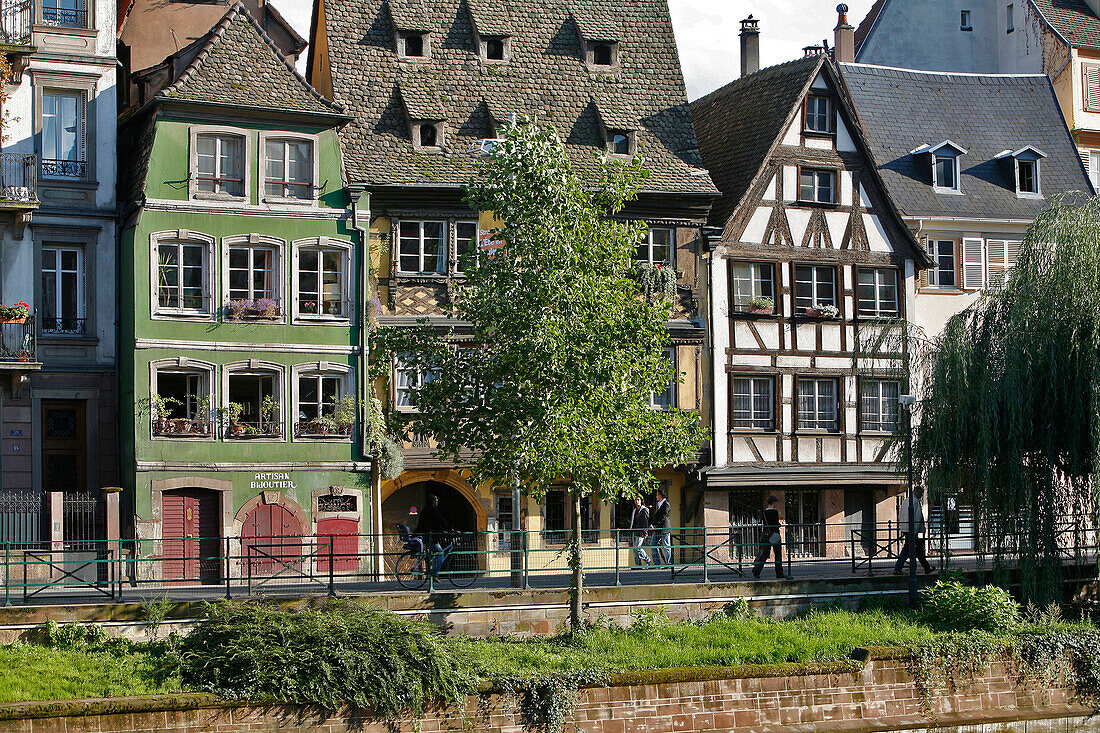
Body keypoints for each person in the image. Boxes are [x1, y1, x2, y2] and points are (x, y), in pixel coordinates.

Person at [893, 486, 934, 575]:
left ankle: (926, 567)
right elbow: (917, 517)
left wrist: (903, 528)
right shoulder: (915, 502)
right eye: (921, 493)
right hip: (912, 530)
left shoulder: (906, 501)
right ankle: (897, 568)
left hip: (906, 528)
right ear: (917, 492)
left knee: (917, 550)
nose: (921, 495)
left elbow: (902, 515)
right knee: (908, 550)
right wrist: (916, 530)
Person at [414, 493, 454, 574]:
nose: (437, 502)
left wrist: (443, 530)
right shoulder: (432, 510)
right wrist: (452, 529)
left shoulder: (426, 509)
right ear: (433, 501)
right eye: (436, 500)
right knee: (440, 553)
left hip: (426, 535)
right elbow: (441, 521)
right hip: (429, 536)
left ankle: (432, 572)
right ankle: (434, 574)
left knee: (434, 553)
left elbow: (434, 523)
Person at [752, 495, 785, 579]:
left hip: (766, 534)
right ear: (774, 502)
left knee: (765, 553)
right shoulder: (774, 512)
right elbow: (775, 523)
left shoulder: (764, 512)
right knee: (777, 554)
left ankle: (757, 570)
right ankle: (779, 573)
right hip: (774, 534)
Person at [650, 487, 672, 567]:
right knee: (653, 544)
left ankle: (669, 563)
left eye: (657, 495)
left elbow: (662, 517)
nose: (656, 497)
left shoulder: (666, 504)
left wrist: (653, 525)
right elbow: (657, 517)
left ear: (660, 496)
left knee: (666, 546)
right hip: (657, 528)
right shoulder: (659, 504)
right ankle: (657, 563)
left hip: (664, 528)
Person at [628, 496, 651, 568]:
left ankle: (647, 560)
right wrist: (630, 532)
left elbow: (645, 522)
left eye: (638, 499)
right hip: (634, 531)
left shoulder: (644, 510)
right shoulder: (634, 510)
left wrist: (645, 532)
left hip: (641, 532)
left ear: (641, 501)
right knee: (634, 549)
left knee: (638, 547)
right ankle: (638, 564)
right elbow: (632, 522)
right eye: (635, 500)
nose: (636, 501)